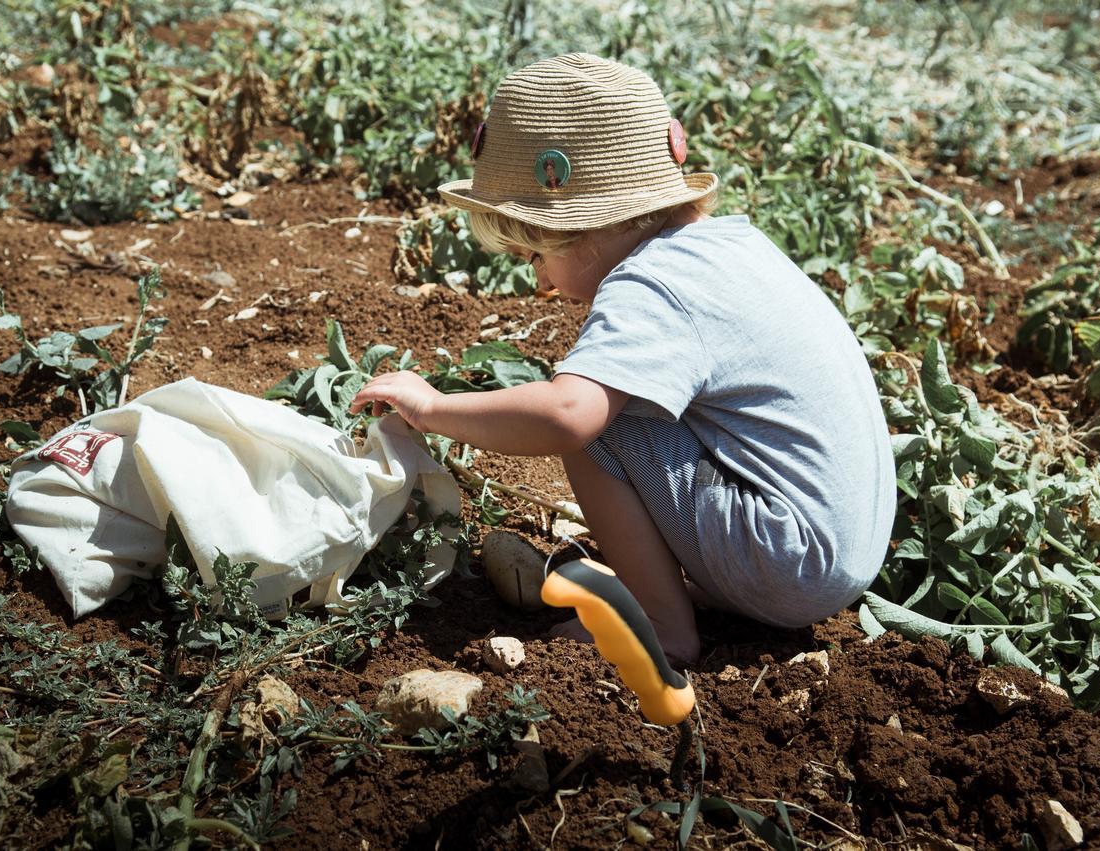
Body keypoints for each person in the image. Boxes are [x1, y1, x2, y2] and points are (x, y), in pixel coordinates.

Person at [350, 53, 896, 666]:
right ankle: (704, 588)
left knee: (597, 424)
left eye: (536, 256)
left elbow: (567, 415)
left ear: (583, 229)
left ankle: (659, 627)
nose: (542, 285)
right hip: (841, 551)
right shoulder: (733, 247)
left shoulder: (652, 283)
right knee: (627, 398)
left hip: (789, 559)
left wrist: (434, 407)